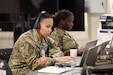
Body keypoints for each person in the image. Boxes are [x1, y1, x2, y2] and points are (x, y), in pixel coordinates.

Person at [8, 11, 75, 75]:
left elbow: (59, 53)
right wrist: (54, 60)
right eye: (47, 26)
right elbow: (35, 65)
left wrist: (50, 58)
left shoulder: (46, 39)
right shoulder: (26, 40)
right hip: (20, 71)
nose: (50, 30)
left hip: (37, 70)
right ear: (37, 26)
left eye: (51, 27)